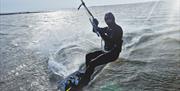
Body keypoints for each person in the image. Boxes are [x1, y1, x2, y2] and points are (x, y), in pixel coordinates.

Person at [80, 12, 123, 86]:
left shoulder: (118, 29)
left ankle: (84, 83)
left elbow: (111, 41)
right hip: (106, 51)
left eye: (109, 19)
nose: (107, 21)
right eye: (106, 19)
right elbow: (95, 30)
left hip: (113, 54)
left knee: (92, 63)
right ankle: (87, 73)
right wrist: (95, 25)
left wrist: (102, 33)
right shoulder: (108, 28)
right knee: (88, 56)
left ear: (113, 19)